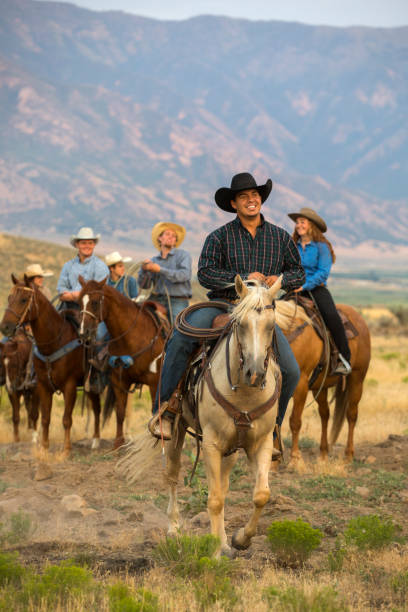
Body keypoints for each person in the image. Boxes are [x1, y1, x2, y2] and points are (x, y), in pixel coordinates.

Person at [148, 172, 305, 440]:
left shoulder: (280, 238)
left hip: (260, 312)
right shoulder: (219, 236)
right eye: (243, 197)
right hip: (223, 304)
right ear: (234, 204)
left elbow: (298, 273)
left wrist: (277, 280)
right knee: (181, 339)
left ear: (261, 200)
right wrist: (243, 279)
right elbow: (206, 273)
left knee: (291, 370)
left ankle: (273, 427)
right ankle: (165, 409)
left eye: (254, 195)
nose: (250, 200)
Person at [288, 207, 352, 375]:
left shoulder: (322, 247)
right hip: (294, 289)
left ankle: (344, 359)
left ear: (311, 226)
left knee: (332, 317)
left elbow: (323, 272)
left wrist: (304, 285)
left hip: (316, 289)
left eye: (302, 222)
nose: (298, 225)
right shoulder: (292, 245)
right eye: (297, 222)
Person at [138, 222, 192, 324]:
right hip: (156, 299)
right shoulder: (153, 260)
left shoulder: (183, 255)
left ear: (176, 241)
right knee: (138, 318)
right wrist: (144, 270)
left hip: (177, 301)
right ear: (160, 238)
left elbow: (184, 275)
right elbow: (144, 286)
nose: (171, 237)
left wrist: (160, 270)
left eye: (174, 236)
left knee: (177, 329)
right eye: (167, 234)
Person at [57, 227, 109, 310]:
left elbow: (98, 293)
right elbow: (61, 291)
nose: (87, 246)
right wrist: (78, 295)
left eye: (90, 243)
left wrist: (72, 295)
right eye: (83, 243)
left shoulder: (100, 267)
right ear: (77, 245)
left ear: (94, 245)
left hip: (91, 310)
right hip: (67, 308)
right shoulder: (68, 266)